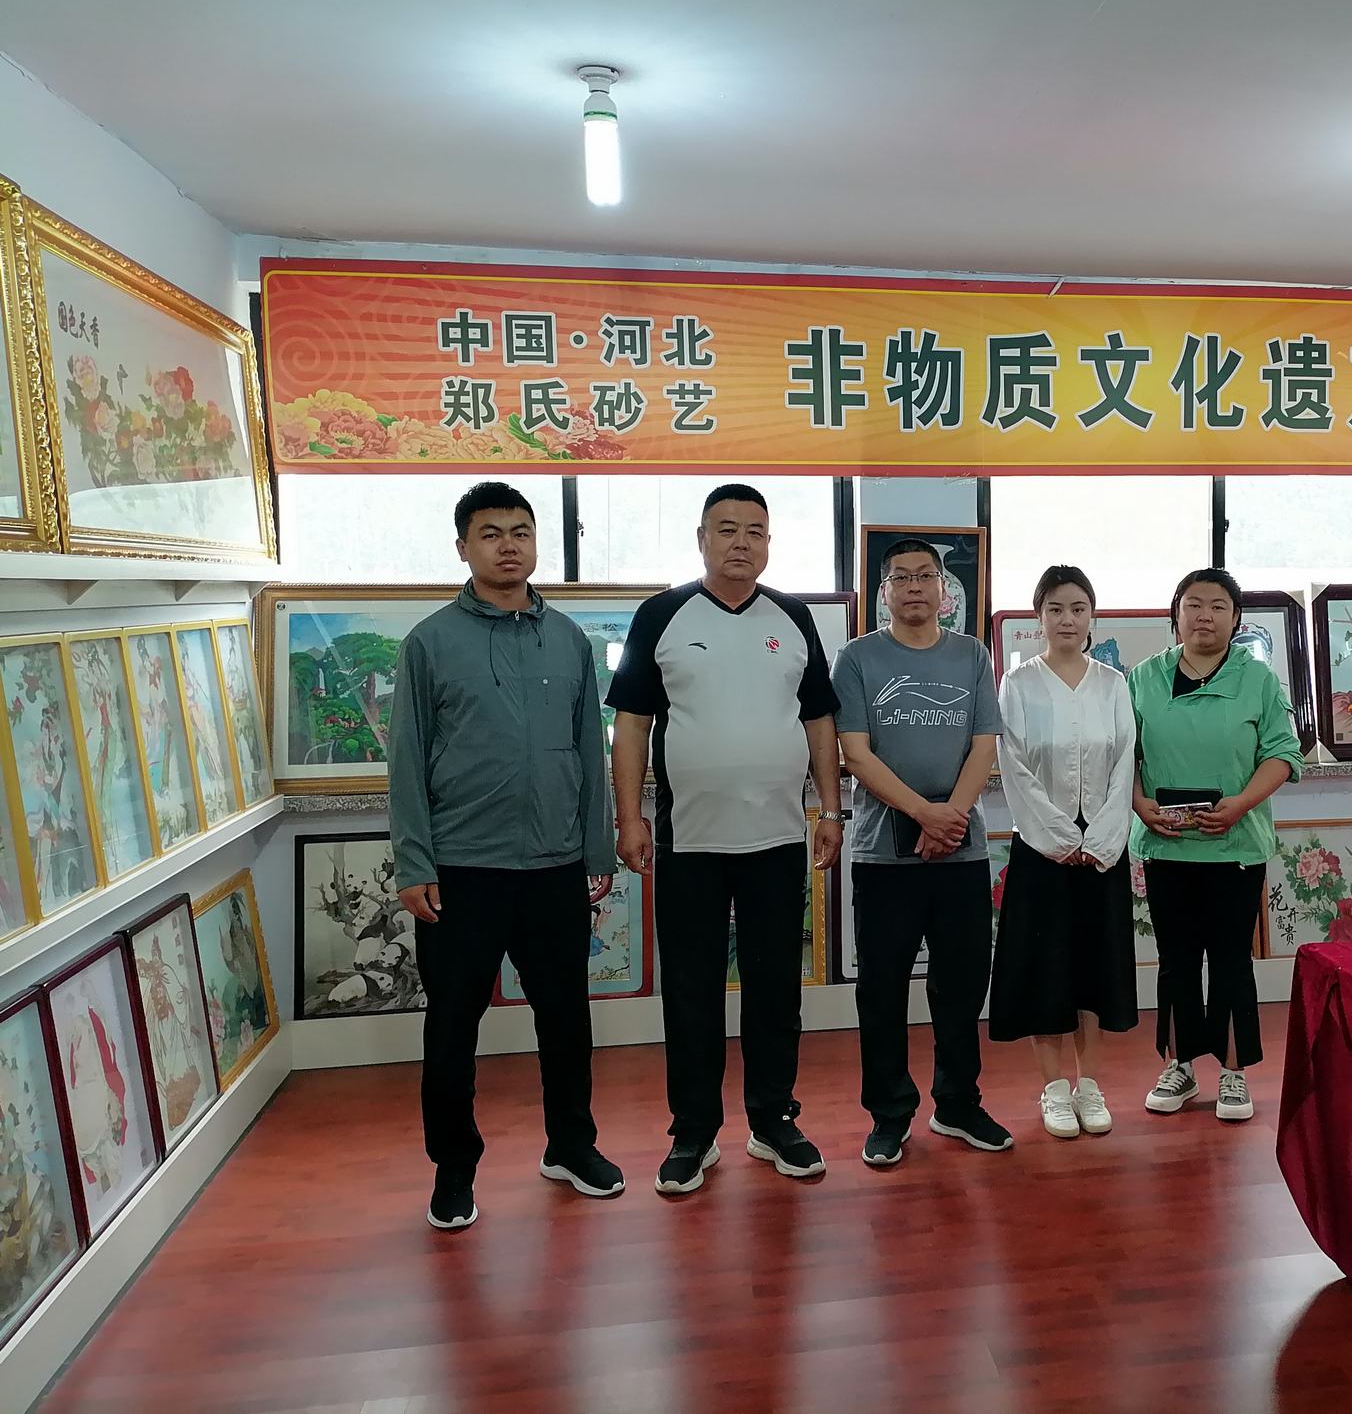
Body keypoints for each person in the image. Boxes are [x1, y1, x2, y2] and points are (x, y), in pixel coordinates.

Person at [388, 481, 622, 1232]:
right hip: (462, 869)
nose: (509, 545)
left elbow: (589, 751)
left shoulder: (569, 640)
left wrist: (597, 848)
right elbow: (406, 761)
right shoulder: (429, 643)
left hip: (555, 866)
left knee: (566, 1019)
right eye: (491, 533)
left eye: (521, 531)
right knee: (453, 1027)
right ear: (463, 547)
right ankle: (454, 1170)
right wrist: (415, 863)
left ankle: (571, 1146)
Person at [606, 483, 844, 1195]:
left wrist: (831, 811)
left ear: (769, 543)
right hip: (689, 843)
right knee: (691, 993)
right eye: (727, 529)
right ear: (702, 538)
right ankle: (694, 1133)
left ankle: (773, 1121)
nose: (742, 542)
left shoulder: (793, 618)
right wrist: (629, 817)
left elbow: (819, 720)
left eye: (755, 531)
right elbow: (631, 725)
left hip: (777, 839)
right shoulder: (662, 615)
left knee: (776, 990)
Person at [834, 539, 1012, 1165]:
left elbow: (985, 744)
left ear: (944, 589)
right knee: (881, 988)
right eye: (901, 577)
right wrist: (924, 814)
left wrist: (949, 818)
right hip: (883, 856)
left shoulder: (972, 655)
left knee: (961, 985)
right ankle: (889, 1114)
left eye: (926, 576)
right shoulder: (858, 658)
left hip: (960, 852)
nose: (914, 586)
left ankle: (958, 1103)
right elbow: (855, 753)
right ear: (883, 592)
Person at [1128, 567, 1303, 1124]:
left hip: (1235, 847)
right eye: (1193, 604)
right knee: (1176, 962)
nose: (1204, 615)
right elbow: (1121, 755)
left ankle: (1232, 1071)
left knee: (1230, 961)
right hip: (1166, 845)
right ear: (1175, 614)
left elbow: (1283, 754)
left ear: (1236, 618)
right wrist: (1139, 804)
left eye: (1218, 606)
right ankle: (1179, 1064)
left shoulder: (1259, 679)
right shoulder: (1142, 678)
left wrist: (1240, 804)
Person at [991, 565, 1138, 1138]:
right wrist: (1057, 837)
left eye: (1078, 608)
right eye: (1055, 609)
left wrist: (1099, 839)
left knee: (1095, 969)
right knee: (1045, 967)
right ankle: (1053, 1089)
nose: (1067, 619)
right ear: (1039, 617)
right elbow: (1014, 766)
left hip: (1102, 850)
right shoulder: (1018, 684)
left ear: (1092, 616)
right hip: (1040, 847)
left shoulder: (1113, 684)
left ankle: (1090, 1085)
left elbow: (1124, 764)